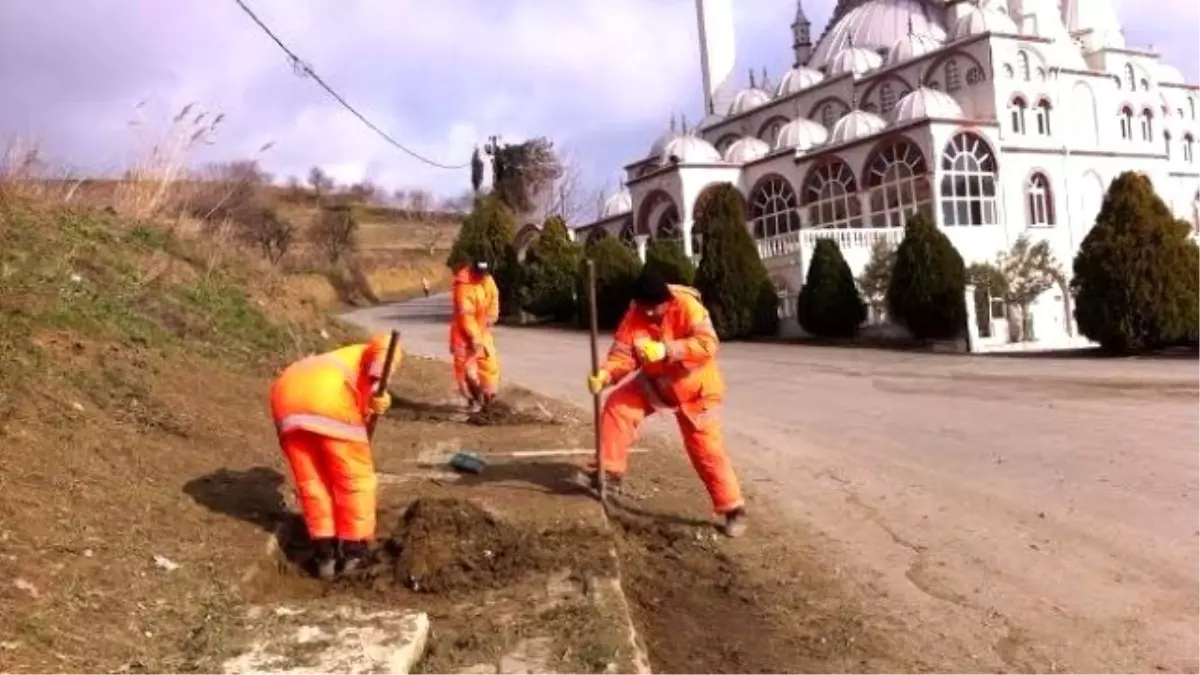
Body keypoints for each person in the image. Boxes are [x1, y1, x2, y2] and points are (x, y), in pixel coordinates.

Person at [585, 269, 747, 537]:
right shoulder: (636, 312)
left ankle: (733, 508)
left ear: (666, 299)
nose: (648, 313)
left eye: (653, 307)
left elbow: (708, 345)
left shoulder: (687, 306)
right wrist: (605, 375)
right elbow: (623, 356)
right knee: (618, 405)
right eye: (644, 307)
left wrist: (668, 349)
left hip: (697, 392)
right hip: (656, 385)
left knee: (706, 451)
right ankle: (610, 472)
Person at [268, 333, 401, 579]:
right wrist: (376, 386)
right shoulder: (364, 352)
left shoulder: (333, 361)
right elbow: (386, 343)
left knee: (313, 483)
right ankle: (354, 551)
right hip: (328, 400)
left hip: (285, 400)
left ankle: (324, 553)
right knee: (354, 481)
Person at [450, 259, 501, 410]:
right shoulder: (463, 287)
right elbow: (466, 316)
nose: (482, 277)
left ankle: (489, 397)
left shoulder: (487, 279)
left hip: (482, 331)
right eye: (479, 274)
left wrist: (492, 316)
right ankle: (472, 400)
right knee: (467, 371)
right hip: (463, 335)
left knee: (489, 365)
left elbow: (494, 297)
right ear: (472, 270)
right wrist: (473, 337)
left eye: (484, 274)